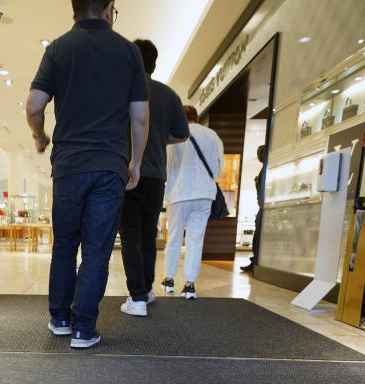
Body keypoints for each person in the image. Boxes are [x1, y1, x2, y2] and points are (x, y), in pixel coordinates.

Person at [26, 0, 149, 349]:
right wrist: (136, 161)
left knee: (65, 245)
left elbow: (34, 106)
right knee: (96, 250)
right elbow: (140, 116)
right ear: (109, 8)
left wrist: (40, 135)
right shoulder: (128, 52)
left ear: (74, 10)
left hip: (68, 166)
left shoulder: (59, 48)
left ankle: (60, 318)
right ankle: (83, 329)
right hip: (110, 166)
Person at [117, 39, 189, 318]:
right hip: (156, 175)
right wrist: (157, 139)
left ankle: (137, 298)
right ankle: (146, 290)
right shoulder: (169, 95)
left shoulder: (121, 92)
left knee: (131, 235)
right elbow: (182, 134)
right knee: (148, 235)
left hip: (126, 173)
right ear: (154, 64)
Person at [161, 105, 224, 300]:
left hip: (179, 192)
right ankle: (189, 285)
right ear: (196, 117)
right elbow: (219, 166)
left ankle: (169, 280)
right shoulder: (212, 135)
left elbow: (168, 166)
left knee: (174, 238)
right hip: (204, 194)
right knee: (196, 240)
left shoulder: (174, 136)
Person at [240, 144, 266, 273]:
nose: (259, 155)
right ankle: (254, 261)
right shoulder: (263, 170)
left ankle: (256, 262)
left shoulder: (267, 170)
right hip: (262, 207)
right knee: (256, 237)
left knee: (258, 237)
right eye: (258, 152)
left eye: (261, 152)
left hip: (265, 208)